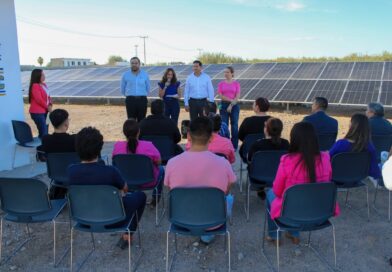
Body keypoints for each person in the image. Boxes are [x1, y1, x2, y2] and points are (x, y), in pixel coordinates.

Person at [68, 127, 146, 249]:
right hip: (114, 217)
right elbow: (125, 188)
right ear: (100, 148)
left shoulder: (71, 170)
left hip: (84, 217)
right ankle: (128, 234)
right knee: (141, 196)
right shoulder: (110, 171)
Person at [164, 117, 236, 244]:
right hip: (214, 220)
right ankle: (207, 235)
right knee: (229, 198)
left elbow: (171, 190)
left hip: (180, 219)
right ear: (212, 138)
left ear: (189, 136)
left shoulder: (172, 163)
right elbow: (227, 189)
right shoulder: (223, 163)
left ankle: (197, 229)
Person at [266, 122, 340, 244]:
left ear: (293, 139)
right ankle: (294, 234)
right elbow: (327, 184)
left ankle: (274, 235)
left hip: (290, 217)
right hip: (321, 215)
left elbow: (278, 191)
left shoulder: (287, 160)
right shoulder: (326, 158)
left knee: (270, 193)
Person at [113, 119, 164, 207]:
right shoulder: (148, 146)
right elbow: (159, 162)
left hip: (126, 181)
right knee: (162, 170)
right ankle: (155, 200)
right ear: (139, 131)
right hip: (148, 181)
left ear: (124, 132)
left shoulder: (117, 146)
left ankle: (130, 196)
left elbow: (115, 163)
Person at [329, 113, 382, 180]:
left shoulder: (340, 144)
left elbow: (327, 159)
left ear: (352, 125)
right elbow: (374, 169)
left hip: (336, 177)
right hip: (358, 178)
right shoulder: (369, 147)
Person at [121, 57, 150, 122]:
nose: (134, 64)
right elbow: (122, 89)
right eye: (132, 63)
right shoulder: (125, 75)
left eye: (136, 63)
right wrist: (129, 96)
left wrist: (142, 95)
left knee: (142, 120)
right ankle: (132, 132)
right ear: (130, 64)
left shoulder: (145, 74)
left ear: (139, 64)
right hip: (130, 101)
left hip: (142, 100)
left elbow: (148, 88)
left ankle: (141, 132)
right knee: (131, 121)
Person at [218, 66, 241, 150]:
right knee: (224, 125)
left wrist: (231, 105)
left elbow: (237, 96)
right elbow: (221, 96)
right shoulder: (221, 84)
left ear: (232, 73)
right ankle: (225, 145)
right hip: (223, 105)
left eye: (227, 72)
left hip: (234, 106)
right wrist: (231, 101)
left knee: (234, 125)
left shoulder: (236, 84)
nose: (226, 74)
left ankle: (234, 145)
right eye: (225, 72)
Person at [28, 68, 52, 138]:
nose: (44, 76)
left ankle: (44, 145)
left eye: (44, 74)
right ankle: (43, 147)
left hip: (47, 111)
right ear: (37, 76)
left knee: (46, 131)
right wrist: (48, 107)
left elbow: (48, 97)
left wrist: (50, 104)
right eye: (42, 75)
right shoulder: (35, 86)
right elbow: (39, 100)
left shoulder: (44, 85)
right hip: (38, 113)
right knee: (43, 131)